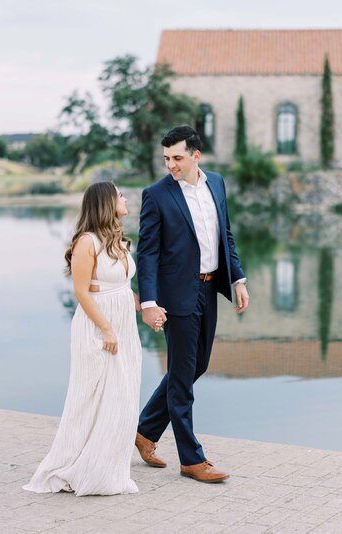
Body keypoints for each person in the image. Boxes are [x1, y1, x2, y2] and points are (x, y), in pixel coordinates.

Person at [135, 125, 249, 483]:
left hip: (208, 288)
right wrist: (149, 302)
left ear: (196, 155)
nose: (171, 165)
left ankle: (144, 432)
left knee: (196, 365)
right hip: (175, 296)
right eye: (167, 158)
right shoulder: (155, 195)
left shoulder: (216, 183)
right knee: (182, 379)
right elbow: (148, 252)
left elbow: (225, 234)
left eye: (178, 158)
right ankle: (192, 460)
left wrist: (238, 277)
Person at [23, 182, 147, 496]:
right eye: (120, 195)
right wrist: (106, 328)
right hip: (98, 327)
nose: (126, 198)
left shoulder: (118, 241)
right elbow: (81, 291)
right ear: (107, 203)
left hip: (124, 325)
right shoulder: (87, 242)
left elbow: (121, 288)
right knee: (93, 397)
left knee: (123, 396)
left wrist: (146, 308)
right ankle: (77, 466)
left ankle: (106, 466)